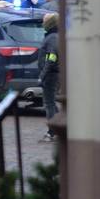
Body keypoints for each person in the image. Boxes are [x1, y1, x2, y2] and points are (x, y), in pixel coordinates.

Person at [38, 12, 60, 142]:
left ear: (50, 23)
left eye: (44, 21)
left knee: (49, 104)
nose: (42, 23)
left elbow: (51, 57)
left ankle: (52, 132)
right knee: (51, 103)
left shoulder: (51, 38)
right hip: (52, 73)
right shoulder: (53, 36)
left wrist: (43, 75)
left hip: (51, 75)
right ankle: (58, 127)